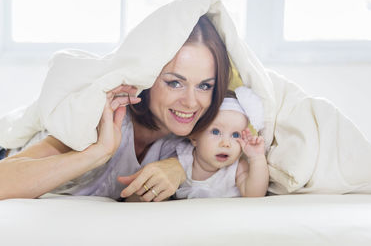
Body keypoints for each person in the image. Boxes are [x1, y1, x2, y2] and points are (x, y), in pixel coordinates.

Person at [0, 15, 231, 202]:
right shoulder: (103, 117)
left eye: (204, 86)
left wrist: (179, 168)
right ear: (147, 79)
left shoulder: (188, 144)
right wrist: (98, 152)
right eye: (174, 83)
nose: (191, 102)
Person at [174, 88, 269, 199]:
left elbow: (255, 194)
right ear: (195, 136)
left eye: (235, 135)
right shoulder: (181, 160)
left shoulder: (237, 168)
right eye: (216, 132)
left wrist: (256, 158)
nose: (226, 143)